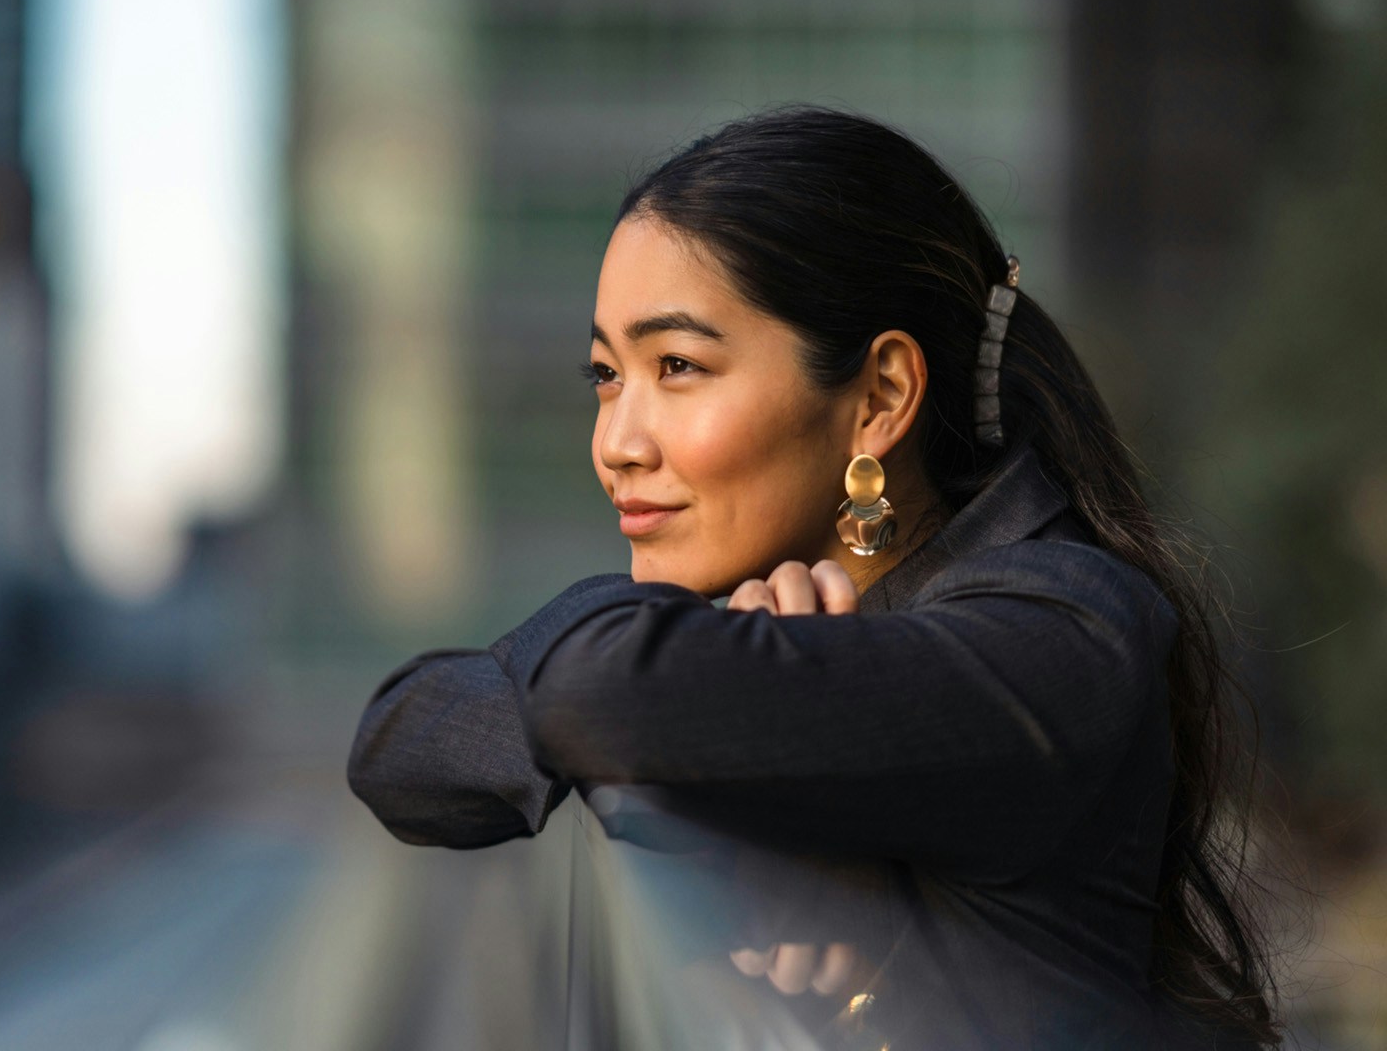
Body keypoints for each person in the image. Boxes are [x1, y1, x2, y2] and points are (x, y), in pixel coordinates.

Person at [345, 105, 1282, 1049]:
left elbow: (600, 698)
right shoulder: (756, 632)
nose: (616, 446)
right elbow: (399, 749)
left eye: (677, 365)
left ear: (878, 399)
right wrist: (736, 693)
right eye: (605, 374)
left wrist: (697, 670)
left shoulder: (1067, 630)